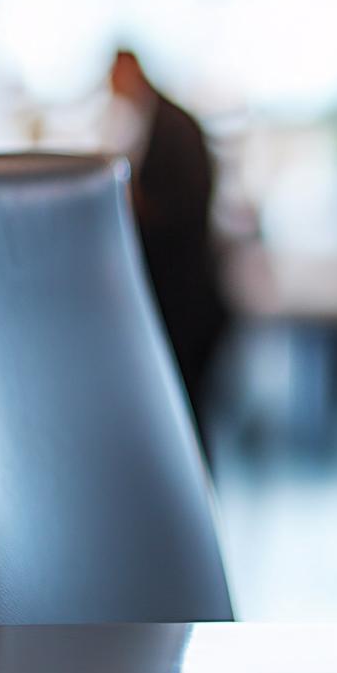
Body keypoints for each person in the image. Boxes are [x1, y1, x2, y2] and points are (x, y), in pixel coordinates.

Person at [106, 49, 228, 439]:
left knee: (186, 411)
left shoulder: (172, 126)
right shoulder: (161, 121)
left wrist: (133, 204)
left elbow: (181, 209)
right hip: (182, 293)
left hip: (186, 299)